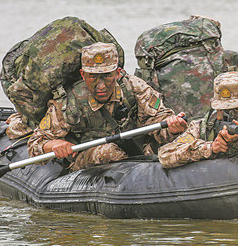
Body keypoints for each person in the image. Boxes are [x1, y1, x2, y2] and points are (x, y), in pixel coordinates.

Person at [27, 42, 187, 171]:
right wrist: (53, 145)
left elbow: (158, 120)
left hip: (138, 151)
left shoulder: (134, 87)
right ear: (83, 75)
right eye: (93, 78)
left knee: (175, 147)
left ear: (117, 73)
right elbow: (35, 144)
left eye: (106, 76)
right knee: (109, 151)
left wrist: (172, 128)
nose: (101, 85)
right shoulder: (69, 102)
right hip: (92, 156)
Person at [158, 71, 238, 169]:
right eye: (222, 109)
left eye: (236, 109)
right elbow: (165, 154)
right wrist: (210, 148)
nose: (229, 116)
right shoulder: (202, 127)